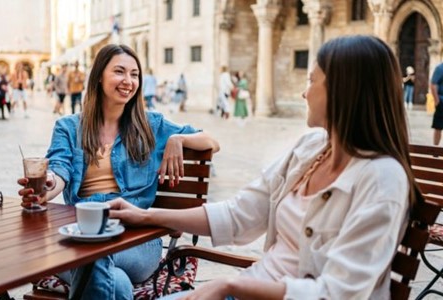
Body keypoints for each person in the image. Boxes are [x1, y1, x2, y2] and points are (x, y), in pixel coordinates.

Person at [108, 35, 422, 299]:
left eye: (312, 81)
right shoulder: (310, 149)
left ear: (344, 92)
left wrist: (230, 283)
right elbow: (238, 215)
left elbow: (337, 293)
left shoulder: (382, 179)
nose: (304, 92)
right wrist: (146, 216)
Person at [16, 44, 219, 299]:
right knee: (115, 281)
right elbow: (59, 170)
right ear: (99, 76)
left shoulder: (152, 125)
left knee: (92, 255)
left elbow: (212, 141)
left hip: (137, 240)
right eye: (120, 72)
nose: (128, 81)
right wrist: (47, 185)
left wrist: (177, 139)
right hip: (83, 232)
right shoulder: (68, 127)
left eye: (134, 75)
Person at [431, 62, 443, 146]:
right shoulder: (440, 68)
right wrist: (437, 100)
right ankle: (436, 150)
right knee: (438, 127)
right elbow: (433, 84)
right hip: (442, 102)